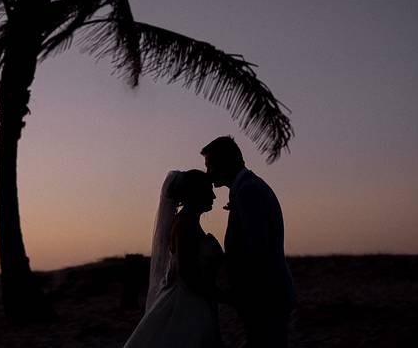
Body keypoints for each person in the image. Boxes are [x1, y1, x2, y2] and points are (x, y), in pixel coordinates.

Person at [202, 136, 296, 348]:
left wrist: (242, 295)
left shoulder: (248, 191)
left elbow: (257, 251)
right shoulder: (245, 188)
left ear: (225, 162)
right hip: (265, 295)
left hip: (265, 296)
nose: (208, 174)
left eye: (210, 167)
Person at [123, 169, 224, 348]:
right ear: (195, 193)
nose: (214, 196)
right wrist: (222, 295)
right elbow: (187, 274)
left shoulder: (189, 222)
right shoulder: (184, 225)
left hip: (196, 301)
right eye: (208, 190)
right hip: (186, 305)